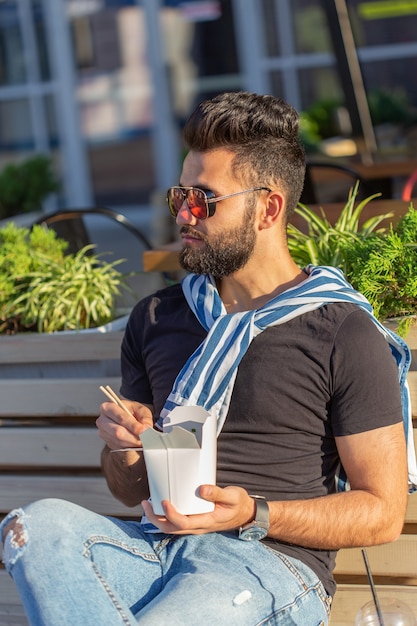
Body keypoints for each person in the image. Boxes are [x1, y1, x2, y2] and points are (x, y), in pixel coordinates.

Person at [1, 91, 413, 626]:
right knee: (34, 528)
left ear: (268, 207)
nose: (185, 214)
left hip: (263, 563)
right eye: (181, 196)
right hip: (153, 548)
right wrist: (128, 450)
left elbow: (382, 513)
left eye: (206, 199)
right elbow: (130, 490)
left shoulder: (340, 330)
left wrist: (254, 513)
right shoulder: (157, 317)